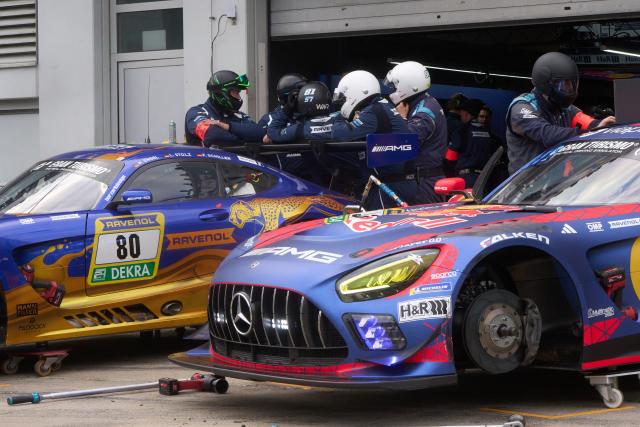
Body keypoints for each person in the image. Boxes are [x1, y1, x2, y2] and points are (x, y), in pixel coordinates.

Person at [506, 52, 616, 174]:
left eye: (572, 84)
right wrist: (590, 132)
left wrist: (602, 125)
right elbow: (547, 135)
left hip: (553, 184)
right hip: (524, 186)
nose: (569, 90)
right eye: (564, 85)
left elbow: (588, 123)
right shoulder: (522, 108)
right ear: (546, 83)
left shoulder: (563, 107)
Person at [331, 70, 411, 207]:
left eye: (345, 97)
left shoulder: (374, 111)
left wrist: (339, 117)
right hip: (396, 181)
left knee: (383, 226)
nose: (344, 101)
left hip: (388, 185)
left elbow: (339, 134)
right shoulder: (381, 106)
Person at [385, 61, 448, 204]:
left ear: (408, 86)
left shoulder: (424, 112)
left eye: (395, 86)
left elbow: (404, 144)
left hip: (424, 183)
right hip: (423, 180)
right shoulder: (424, 103)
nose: (392, 90)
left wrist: (400, 118)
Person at [266, 81, 336, 185]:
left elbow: (272, 132)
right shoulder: (341, 122)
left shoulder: (300, 129)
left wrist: (287, 110)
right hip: (342, 186)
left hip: (317, 188)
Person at [185, 70, 264, 147]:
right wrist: (244, 139)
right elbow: (213, 136)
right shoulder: (196, 112)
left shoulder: (239, 115)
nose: (239, 97)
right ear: (221, 93)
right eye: (235, 93)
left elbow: (261, 133)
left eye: (238, 93)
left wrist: (228, 127)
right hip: (205, 160)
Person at [444, 98, 501, 187]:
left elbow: (450, 157)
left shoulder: (461, 131)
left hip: (465, 179)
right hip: (485, 179)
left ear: (467, 114)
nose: (461, 116)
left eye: (461, 113)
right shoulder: (489, 133)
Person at [257, 73, 308, 168]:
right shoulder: (268, 120)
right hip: (284, 177)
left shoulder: (310, 116)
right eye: (302, 93)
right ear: (291, 96)